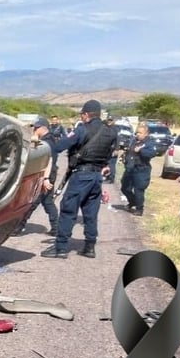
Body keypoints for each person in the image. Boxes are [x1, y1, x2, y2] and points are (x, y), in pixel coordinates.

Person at [41, 99, 118, 259]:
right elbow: (111, 153)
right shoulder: (111, 131)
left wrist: (47, 140)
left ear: (86, 114)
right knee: (91, 213)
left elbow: (60, 146)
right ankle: (90, 247)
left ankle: (61, 248)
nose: (81, 118)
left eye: (82, 115)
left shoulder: (82, 129)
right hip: (97, 177)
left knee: (68, 209)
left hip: (81, 175)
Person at [14, 118, 59, 236]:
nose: (34, 129)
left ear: (43, 128)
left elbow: (50, 160)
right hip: (48, 174)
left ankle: (19, 227)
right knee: (47, 201)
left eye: (36, 128)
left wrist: (45, 178)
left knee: (33, 201)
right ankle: (56, 227)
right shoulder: (48, 139)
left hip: (46, 175)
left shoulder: (47, 142)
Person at [120, 123, 157, 217]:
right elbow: (128, 151)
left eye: (140, 133)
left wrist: (141, 151)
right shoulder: (133, 141)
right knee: (125, 188)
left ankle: (139, 209)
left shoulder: (149, 143)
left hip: (141, 170)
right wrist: (124, 157)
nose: (138, 134)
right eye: (137, 132)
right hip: (130, 168)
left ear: (146, 134)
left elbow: (152, 153)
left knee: (138, 190)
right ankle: (132, 202)